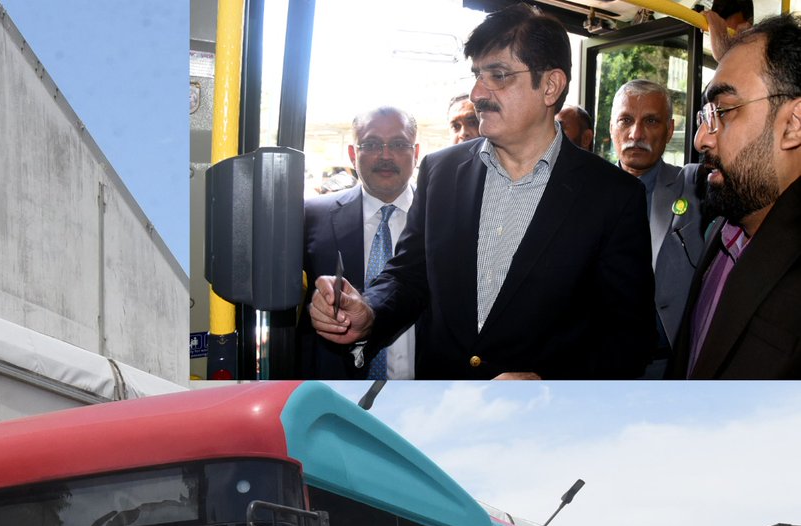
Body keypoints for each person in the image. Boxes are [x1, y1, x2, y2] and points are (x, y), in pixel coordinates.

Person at [308, 4, 655, 379]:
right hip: (442, 409)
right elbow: (409, 274)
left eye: (498, 76)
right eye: (477, 75)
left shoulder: (614, 196)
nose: (476, 93)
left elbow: (628, 339)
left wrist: (550, 382)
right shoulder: (441, 172)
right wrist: (370, 310)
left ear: (550, 86)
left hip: (545, 424)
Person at [669, 14, 801, 379]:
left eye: (724, 111)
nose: (701, 139)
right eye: (705, 115)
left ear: (794, 124)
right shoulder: (724, 231)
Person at [296, 106, 423, 379]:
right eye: (372, 144)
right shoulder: (311, 216)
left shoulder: (445, 216)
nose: (386, 155)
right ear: (354, 154)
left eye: (399, 144)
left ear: (416, 152)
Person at [609, 79, 706, 374]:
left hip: (674, 366)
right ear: (612, 127)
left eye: (651, 121)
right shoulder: (586, 194)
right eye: (626, 120)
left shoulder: (692, 185)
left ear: (670, 130)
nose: (636, 134)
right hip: (603, 367)